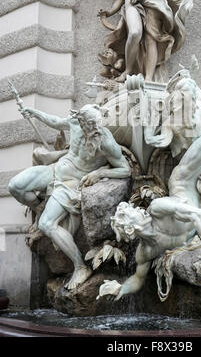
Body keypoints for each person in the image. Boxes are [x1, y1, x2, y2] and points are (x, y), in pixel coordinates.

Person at [99, 76, 201, 300]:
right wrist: (120, 288)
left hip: (183, 180)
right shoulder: (145, 251)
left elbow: (199, 216)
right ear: (130, 231)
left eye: (128, 215)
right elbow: (138, 278)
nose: (135, 213)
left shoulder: (156, 208)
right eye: (127, 220)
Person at [8, 104, 131, 290]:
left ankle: (80, 266)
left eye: (97, 123)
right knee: (15, 186)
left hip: (70, 185)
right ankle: (39, 206)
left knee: (46, 224)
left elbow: (125, 169)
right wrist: (34, 112)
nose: (96, 128)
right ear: (81, 121)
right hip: (55, 170)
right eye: (91, 124)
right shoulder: (74, 122)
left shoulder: (105, 141)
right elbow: (55, 121)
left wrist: (98, 173)